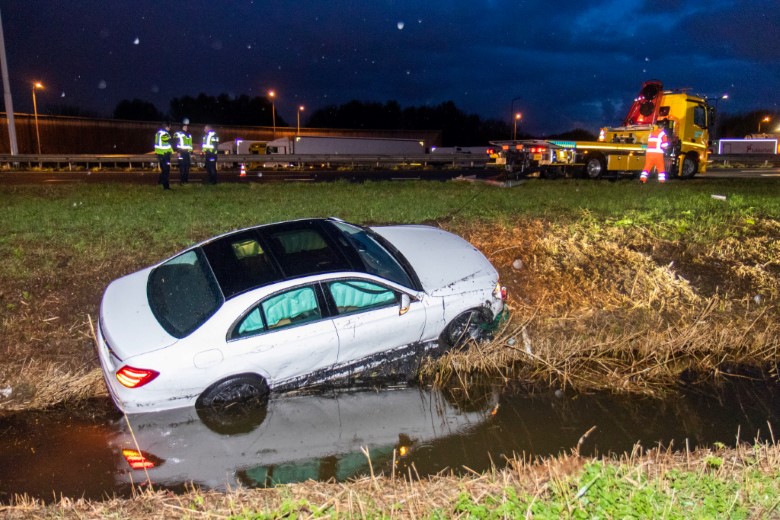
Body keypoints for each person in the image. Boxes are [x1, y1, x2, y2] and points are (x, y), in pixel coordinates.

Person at [154, 122, 173, 189]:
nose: (170, 128)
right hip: (165, 155)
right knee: (166, 171)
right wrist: (174, 140)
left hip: (160, 154)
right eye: (169, 127)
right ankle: (166, 187)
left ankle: (160, 181)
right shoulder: (164, 133)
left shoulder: (158, 133)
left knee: (164, 170)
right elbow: (167, 140)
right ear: (166, 127)